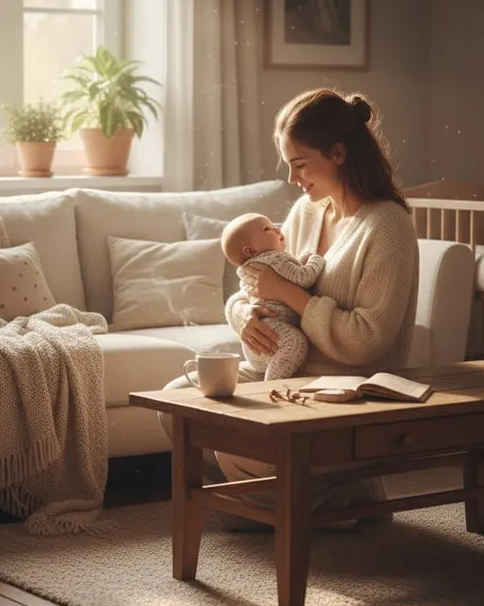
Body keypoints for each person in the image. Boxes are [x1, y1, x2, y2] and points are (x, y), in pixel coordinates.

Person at [161, 88, 419, 529]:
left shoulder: (388, 225)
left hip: (343, 388)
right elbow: (259, 281)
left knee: (242, 450)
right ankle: (321, 501)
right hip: (282, 372)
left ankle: (307, 500)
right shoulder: (306, 212)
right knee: (176, 405)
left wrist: (291, 294)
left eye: (299, 164)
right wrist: (242, 314)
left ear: (338, 153)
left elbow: (368, 342)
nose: (292, 177)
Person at [220, 212, 324, 381]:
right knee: (295, 343)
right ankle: (272, 384)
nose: (277, 229)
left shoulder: (250, 267)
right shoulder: (275, 258)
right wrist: (315, 259)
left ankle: (272, 379)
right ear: (251, 250)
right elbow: (304, 277)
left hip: (257, 347)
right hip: (273, 330)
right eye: (267, 229)